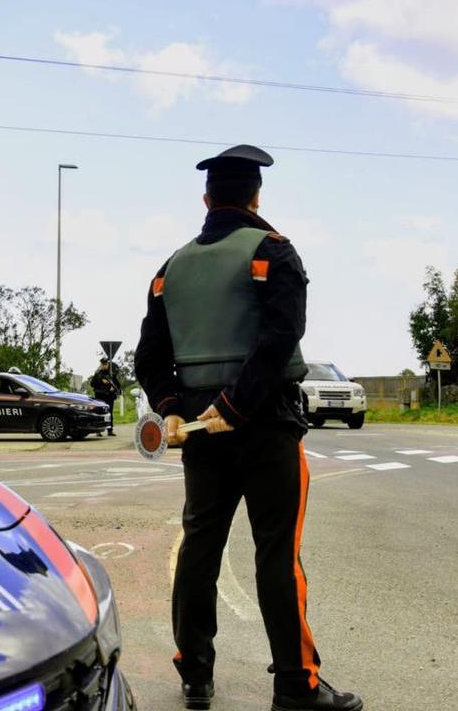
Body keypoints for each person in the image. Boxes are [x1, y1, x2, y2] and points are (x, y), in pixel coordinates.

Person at [134, 145, 361, 711]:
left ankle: (194, 674)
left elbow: (148, 357)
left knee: (200, 549)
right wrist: (236, 408)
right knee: (276, 554)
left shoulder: (170, 269)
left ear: (207, 199)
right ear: (256, 197)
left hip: (200, 434)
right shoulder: (273, 252)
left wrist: (172, 409)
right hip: (265, 425)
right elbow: (279, 338)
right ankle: (295, 685)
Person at [89, 357, 122, 436]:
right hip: (100, 396)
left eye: (106, 364)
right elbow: (92, 384)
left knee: (110, 413)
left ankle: (110, 430)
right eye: (103, 364)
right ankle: (98, 431)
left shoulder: (111, 374)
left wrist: (113, 388)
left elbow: (118, 385)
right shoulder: (97, 374)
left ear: (108, 365)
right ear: (101, 365)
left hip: (109, 396)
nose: (104, 366)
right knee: (99, 413)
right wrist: (101, 381)